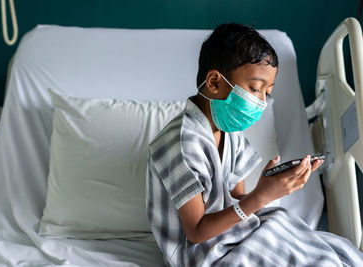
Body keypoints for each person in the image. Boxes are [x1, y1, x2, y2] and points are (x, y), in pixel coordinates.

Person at [146, 23, 363, 266]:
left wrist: (269, 188)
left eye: (267, 93)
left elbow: (237, 198)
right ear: (215, 82)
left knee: (334, 251)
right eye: (255, 89)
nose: (261, 102)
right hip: (205, 253)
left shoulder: (229, 130)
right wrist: (260, 197)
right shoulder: (180, 145)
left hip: (235, 231)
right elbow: (196, 232)